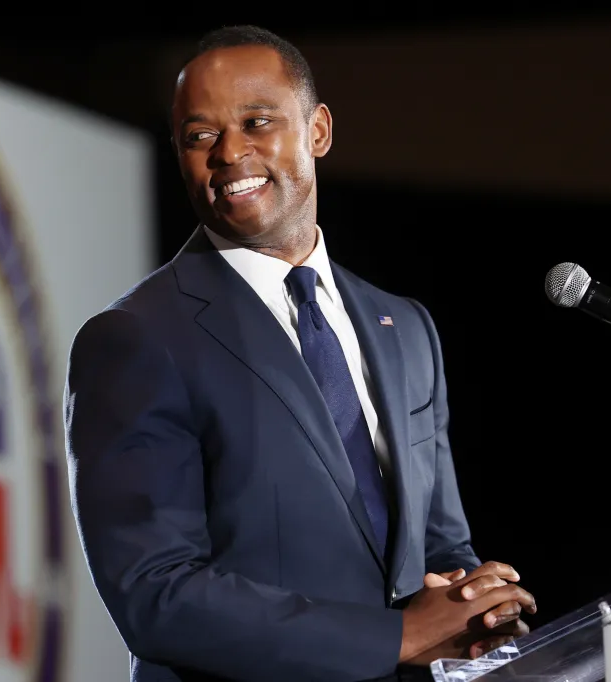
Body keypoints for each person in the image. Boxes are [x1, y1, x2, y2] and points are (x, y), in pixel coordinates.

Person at [63, 24, 537, 682]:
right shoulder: (137, 337)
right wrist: (393, 635)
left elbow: (439, 542)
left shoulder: (404, 326)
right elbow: (155, 593)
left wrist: (474, 607)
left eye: (257, 121)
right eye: (200, 135)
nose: (229, 152)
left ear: (317, 131)